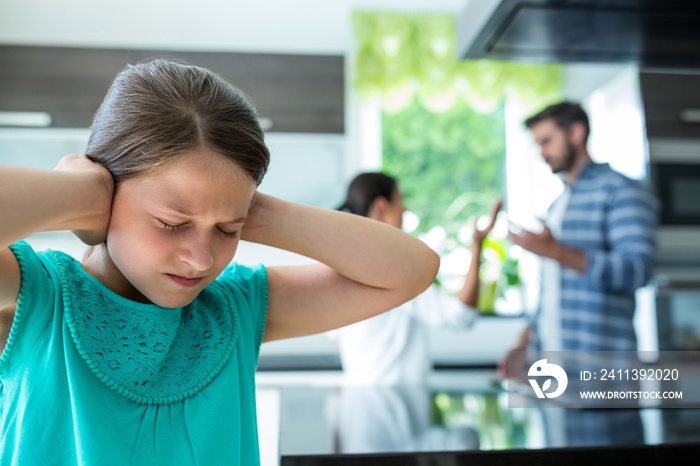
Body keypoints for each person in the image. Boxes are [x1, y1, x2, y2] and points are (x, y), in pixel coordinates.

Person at [0, 58, 440, 466]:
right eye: (172, 223)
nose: (201, 258)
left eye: (229, 230)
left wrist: (253, 209)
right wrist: (83, 193)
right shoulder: (36, 296)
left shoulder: (232, 309)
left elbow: (412, 269)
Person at [499, 101, 659, 379]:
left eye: (547, 141)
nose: (542, 153)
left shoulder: (619, 191)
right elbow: (553, 287)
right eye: (538, 144)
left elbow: (638, 269)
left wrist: (554, 251)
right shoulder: (558, 204)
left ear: (576, 132)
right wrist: (524, 342)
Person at [329, 172, 502, 385]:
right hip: (396, 401)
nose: (405, 209)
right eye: (400, 200)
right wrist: (477, 247)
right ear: (381, 207)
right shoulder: (393, 265)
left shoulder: (339, 263)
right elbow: (461, 316)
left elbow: (335, 336)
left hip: (357, 399)